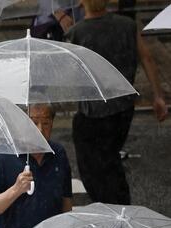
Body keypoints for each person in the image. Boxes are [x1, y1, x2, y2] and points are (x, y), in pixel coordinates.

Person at [66, 0, 167, 205]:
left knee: (93, 168)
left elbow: (72, 76)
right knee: (111, 159)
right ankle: (119, 206)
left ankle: (112, 206)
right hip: (123, 108)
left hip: (92, 112)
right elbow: (146, 58)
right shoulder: (127, 25)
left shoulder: (77, 33)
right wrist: (158, 95)